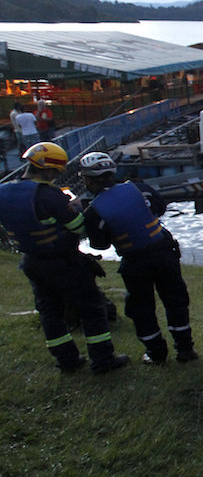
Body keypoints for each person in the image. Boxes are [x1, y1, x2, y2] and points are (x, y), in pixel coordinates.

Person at [0, 142, 129, 374]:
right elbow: (78, 228)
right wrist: (78, 208)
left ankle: (67, 360)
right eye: (56, 172)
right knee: (92, 308)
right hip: (63, 261)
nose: (56, 177)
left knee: (49, 311)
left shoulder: (4, 191)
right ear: (49, 169)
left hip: (31, 261)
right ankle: (103, 360)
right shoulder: (49, 195)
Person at [80, 152, 197, 365]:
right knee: (176, 300)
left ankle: (156, 353)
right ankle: (185, 349)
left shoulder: (94, 211)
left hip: (135, 262)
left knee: (141, 308)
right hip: (164, 252)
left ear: (89, 179)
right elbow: (160, 207)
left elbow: (100, 244)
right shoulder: (138, 188)